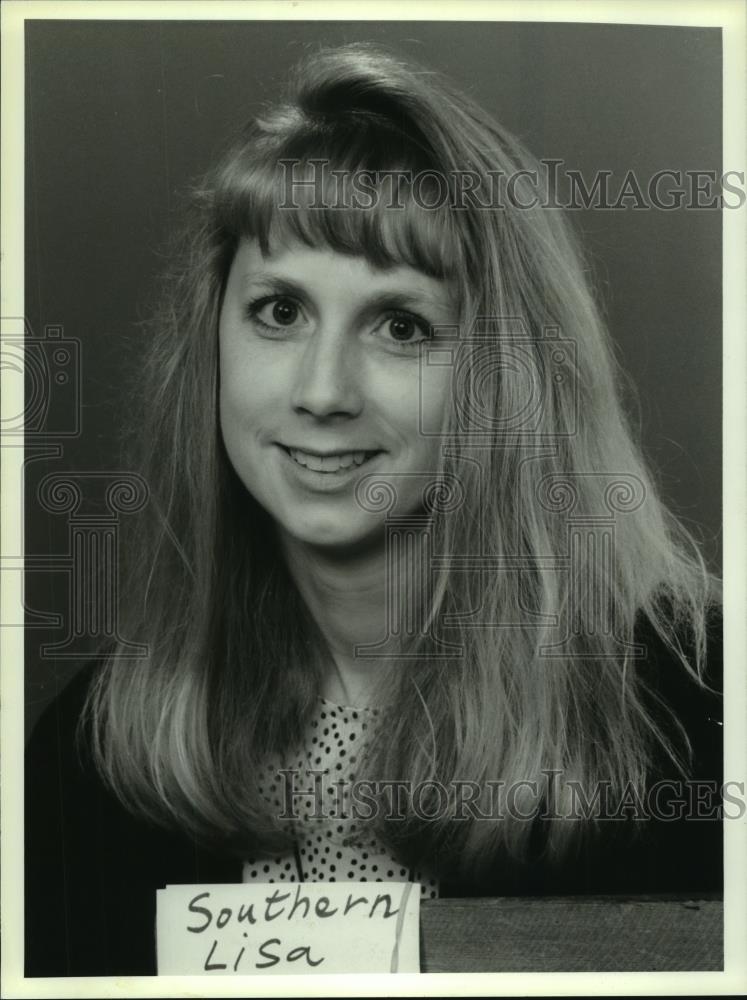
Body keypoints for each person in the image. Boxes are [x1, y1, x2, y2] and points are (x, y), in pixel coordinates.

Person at [25, 42, 722, 977]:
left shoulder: (702, 708)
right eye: (279, 311)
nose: (322, 391)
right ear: (213, 343)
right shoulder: (92, 749)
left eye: (401, 326)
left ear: (504, 376)